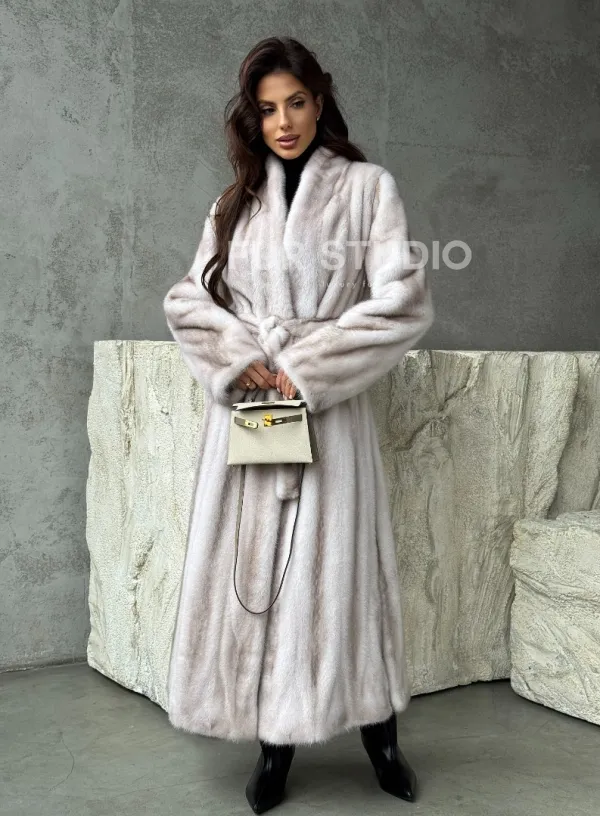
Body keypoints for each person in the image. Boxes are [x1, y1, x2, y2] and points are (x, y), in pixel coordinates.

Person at [163, 36, 435, 814]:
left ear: (320, 101)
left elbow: (404, 301)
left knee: (342, 575)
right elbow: (188, 299)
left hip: (325, 412)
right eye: (267, 109)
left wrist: (306, 370)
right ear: (252, 117)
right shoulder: (233, 202)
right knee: (262, 573)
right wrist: (240, 361)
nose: (283, 122)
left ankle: (381, 738)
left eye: (297, 103)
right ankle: (273, 745)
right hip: (255, 403)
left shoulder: (366, 188)